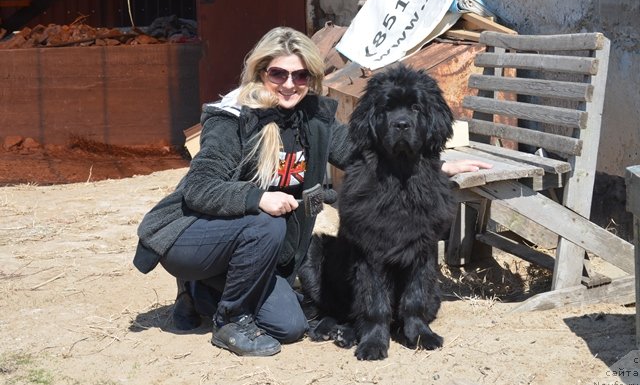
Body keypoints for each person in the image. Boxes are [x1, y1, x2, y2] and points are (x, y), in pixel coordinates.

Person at [132, 26, 491, 357]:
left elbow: (365, 150)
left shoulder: (314, 117)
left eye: (300, 75)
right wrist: (256, 197)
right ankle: (227, 319)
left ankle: (204, 293)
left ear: (311, 78)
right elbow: (199, 188)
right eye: (278, 74)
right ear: (261, 72)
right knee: (265, 223)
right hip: (193, 236)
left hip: (258, 245)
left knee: (290, 326)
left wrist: (434, 165)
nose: (289, 84)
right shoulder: (231, 117)